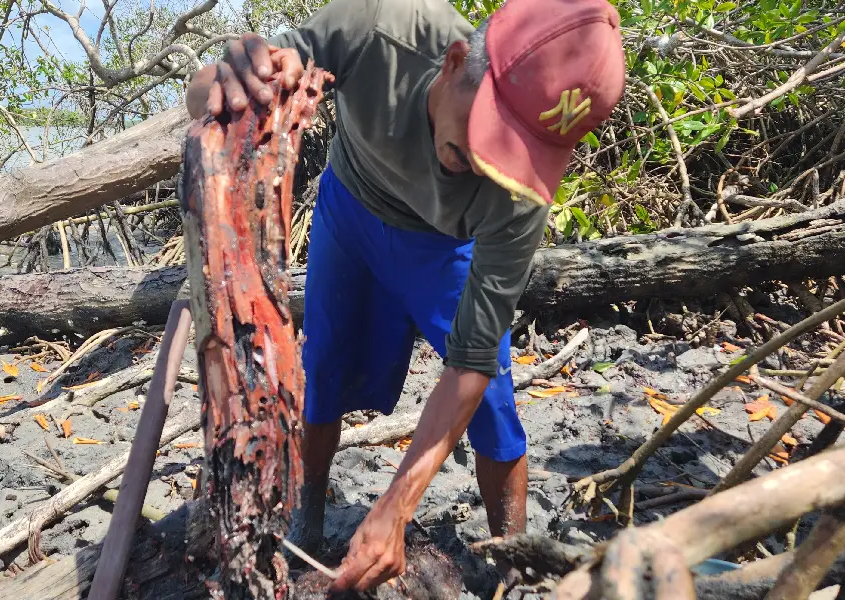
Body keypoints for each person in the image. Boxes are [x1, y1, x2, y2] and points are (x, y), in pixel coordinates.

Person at [185, 0, 625, 592]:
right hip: (354, 210)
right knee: (326, 365)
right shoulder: (381, 25)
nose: (484, 167)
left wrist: (398, 504)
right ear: (453, 61)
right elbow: (224, 93)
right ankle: (307, 514)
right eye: (488, 134)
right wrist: (220, 82)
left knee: (492, 401)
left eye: (515, 155)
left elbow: (469, 361)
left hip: (442, 250)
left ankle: (514, 564)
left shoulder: (521, 194)